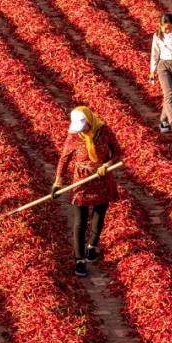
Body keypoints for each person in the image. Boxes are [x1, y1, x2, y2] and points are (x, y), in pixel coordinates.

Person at [51, 106, 120, 277]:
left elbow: (117, 153)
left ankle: (92, 247)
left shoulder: (103, 130)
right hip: (81, 181)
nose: (83, 131)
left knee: (99, 215)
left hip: (102, 179)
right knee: (80, 222)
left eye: (85, 127)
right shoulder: (74, 136)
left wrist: (107, 165)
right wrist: (58, 181)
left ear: (90, 121)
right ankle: (79, 259)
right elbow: (65, 158)